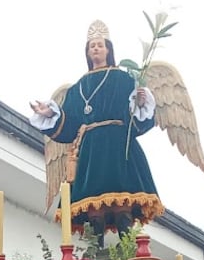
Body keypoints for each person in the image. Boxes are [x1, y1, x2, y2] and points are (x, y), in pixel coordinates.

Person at [29, 20, 163, 236]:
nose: (96, 49)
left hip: (118, 147)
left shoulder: (124, 79)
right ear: (87, 52)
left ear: (108, 49)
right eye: (92, 46)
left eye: (100, 45)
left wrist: (139, 102)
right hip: (91, 152)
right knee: (94, 210)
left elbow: (136, 123)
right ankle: (95, 253)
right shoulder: (77, 88)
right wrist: (51, 114)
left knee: (122, 205)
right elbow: (70, 124)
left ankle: (126, 250)